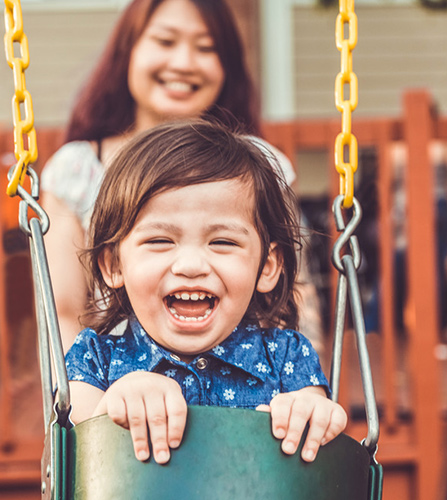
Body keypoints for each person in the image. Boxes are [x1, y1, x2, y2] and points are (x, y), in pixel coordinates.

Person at [64, 121, 346, 466]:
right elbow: (76, 453)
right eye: (160, 241)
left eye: (223, 242)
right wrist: (114, 407)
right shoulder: (95, 360)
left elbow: (315, 438)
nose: (191, 265)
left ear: (268, 266)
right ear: (114, 265)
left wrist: (309, 413)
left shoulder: (286, 357)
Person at [42, 0, 297, 352]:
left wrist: (303, 384)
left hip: (243, 391)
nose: (183, 63)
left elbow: (293, 298)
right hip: (117, 391)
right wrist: (79, 397)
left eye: (206, 48)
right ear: (128, 51)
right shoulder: (77, 169)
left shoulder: (261, 165)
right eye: (165, 42)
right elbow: (64, 312)